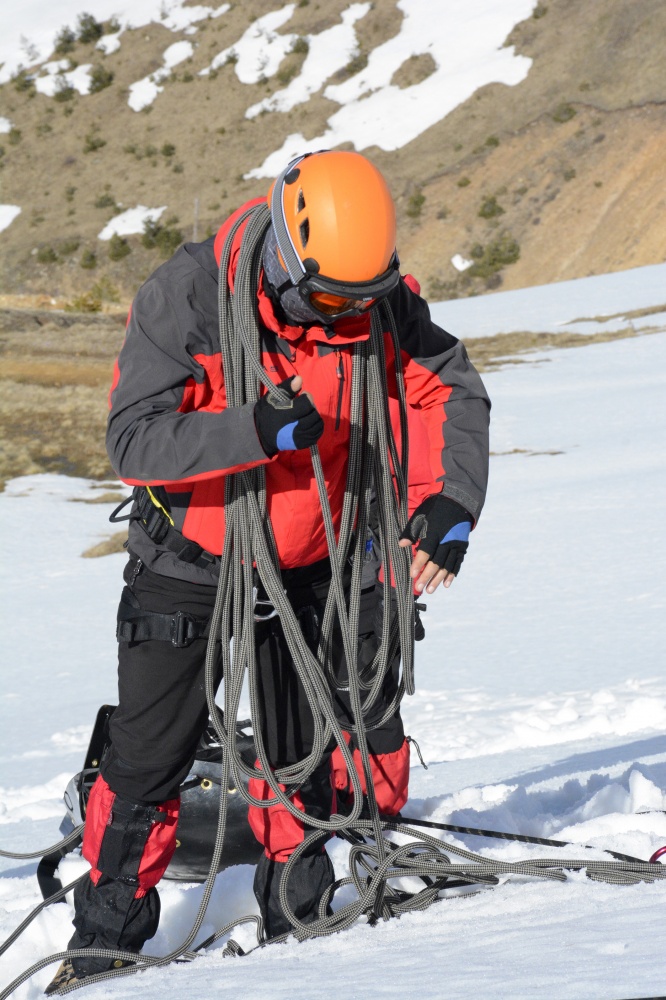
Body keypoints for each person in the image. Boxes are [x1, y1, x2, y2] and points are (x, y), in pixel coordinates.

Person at [46, 150, 490, 993]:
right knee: (148, 760)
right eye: (328, 302)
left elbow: (449, 390)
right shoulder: (186, 299)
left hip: (319, 559)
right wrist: (251, 429)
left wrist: (447, 504)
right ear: (287, 259)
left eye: (362, 303)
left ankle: (308, 908)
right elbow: (134, 440)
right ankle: (106, 941)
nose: (345, 320)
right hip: (191, 564)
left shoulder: (374, 303)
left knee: (319, 749)